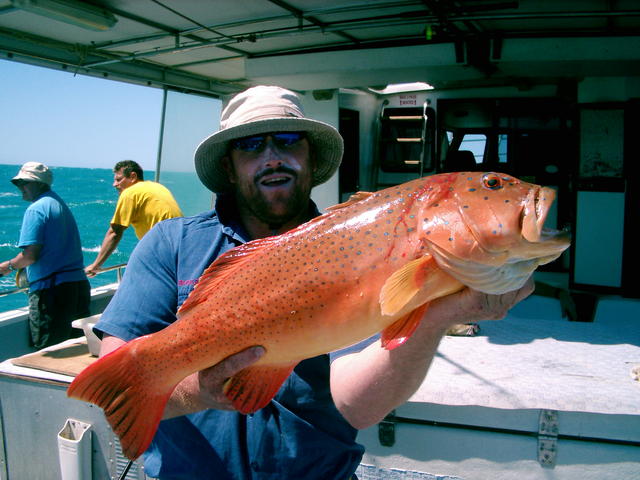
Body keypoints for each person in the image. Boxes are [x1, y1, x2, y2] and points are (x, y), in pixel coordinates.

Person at [94, 86, 534, 480]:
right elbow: (119, 392)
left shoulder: (356, 246)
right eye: (250, 146)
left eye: (288, 141)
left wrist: (438, 316)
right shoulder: (170, 243)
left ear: (310, 157)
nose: (272, 157)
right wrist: (199, 391)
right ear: (228, 167)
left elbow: (357, 405)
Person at [0, 162, 90, 349]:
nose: (20, 188)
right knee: (77, 347)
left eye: (25, 182)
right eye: (18, 183)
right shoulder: (59, 204)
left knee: (50, 350)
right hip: (77, 286)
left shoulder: (36, 209)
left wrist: (6, 267)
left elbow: (30, 256)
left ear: (40, 184)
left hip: (52, 293)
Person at [85, 160, 183, 277]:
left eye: (118, 179)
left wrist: (95, 265)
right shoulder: (157, 187)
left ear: (133, 176)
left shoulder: (130, 193)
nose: (114, 184)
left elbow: (114, 233)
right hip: (183, 244)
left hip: (164, 250)